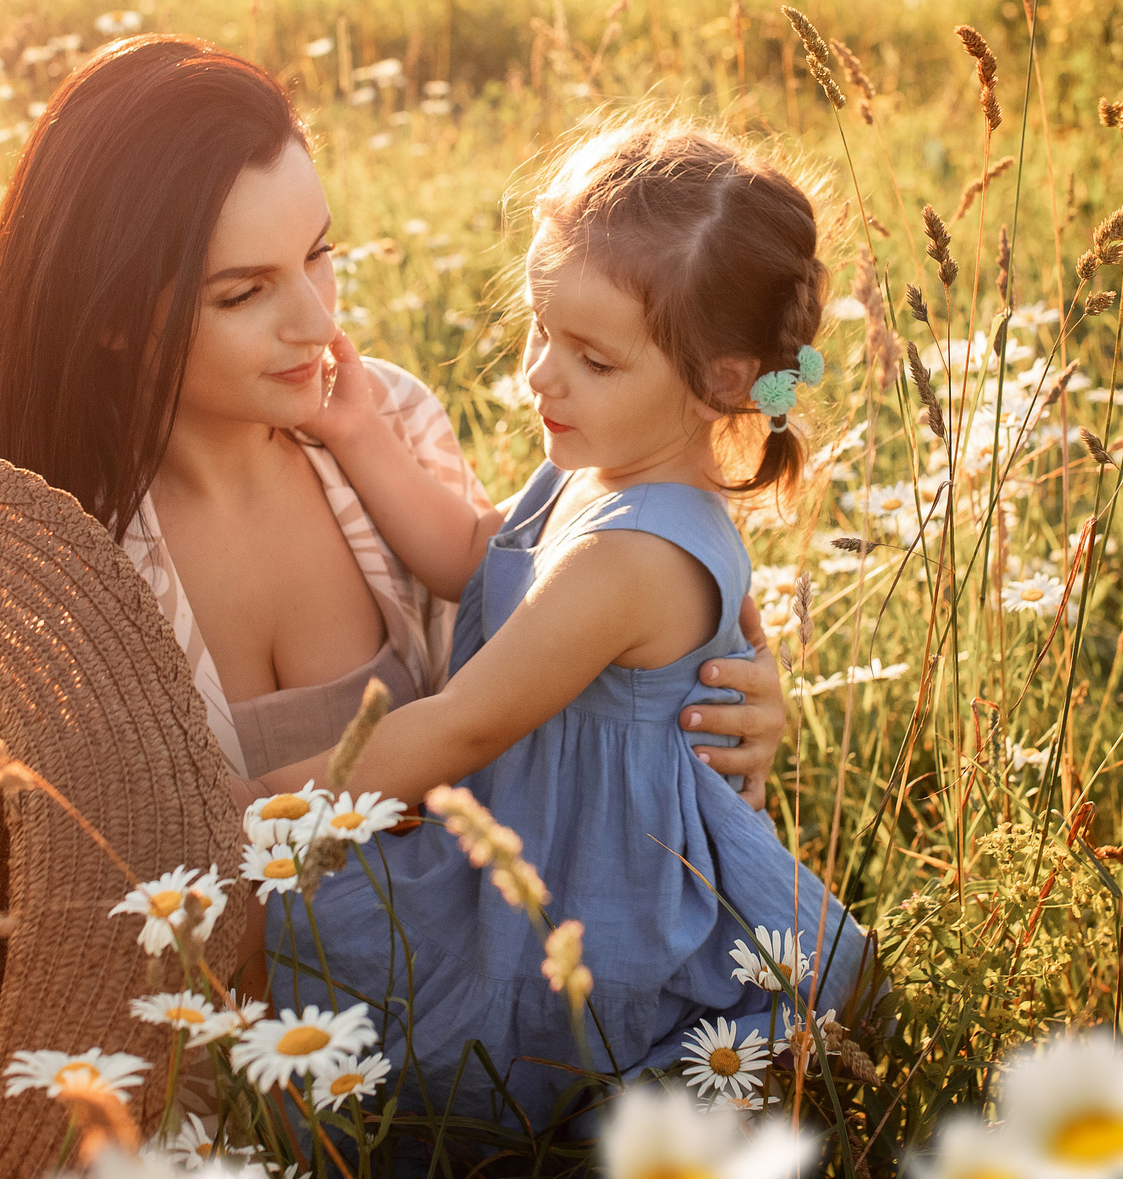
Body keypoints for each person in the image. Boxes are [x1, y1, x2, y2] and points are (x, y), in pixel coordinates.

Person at [0, 35, 788, 801]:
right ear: (112, 319)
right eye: (243, 293)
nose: (318, 323)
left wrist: (713, 694)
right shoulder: (20, 551)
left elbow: (544, 621)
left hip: (462, 1008)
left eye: (318, 253)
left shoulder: (391, 424)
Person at [247, 119, 871, 1132]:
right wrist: (356, 429)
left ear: (722, 381)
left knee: (327, 964)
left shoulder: (634, 559)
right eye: (541, 327)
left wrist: (255, 807)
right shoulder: (596, 473)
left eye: (593, 358)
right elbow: (473, 555)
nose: (542, 373)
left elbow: (460, 726)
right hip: (536, 836)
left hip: (585, 898)